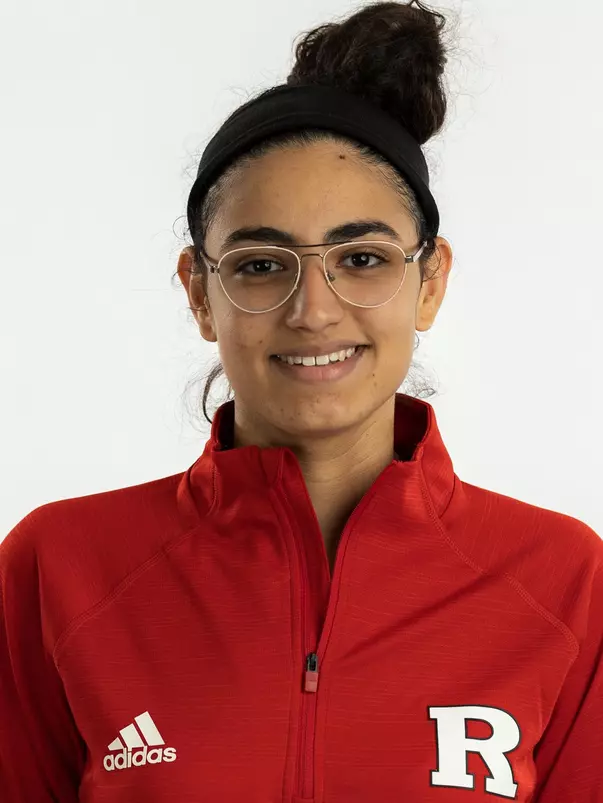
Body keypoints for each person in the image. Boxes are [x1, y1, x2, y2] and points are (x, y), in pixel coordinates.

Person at [1, 1, 602, 801]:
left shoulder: (563, 579)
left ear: (429, 282)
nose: (312, 309)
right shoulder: (57, 570)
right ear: (199, 292)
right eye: (259, 264)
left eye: (360, 257)